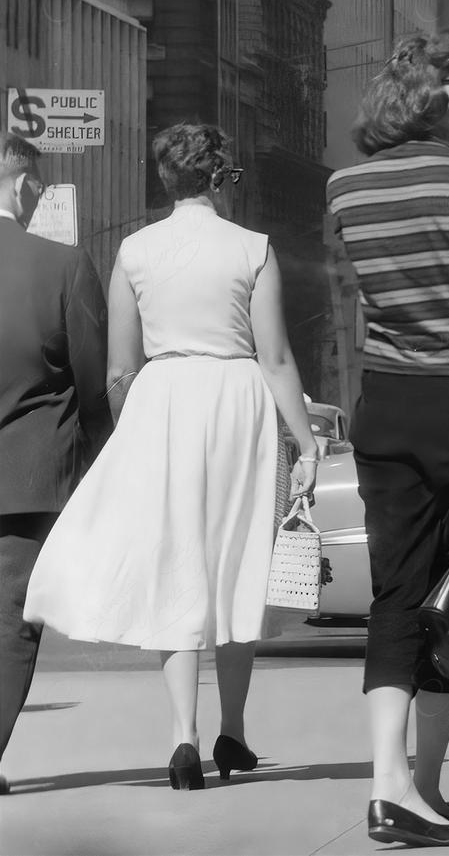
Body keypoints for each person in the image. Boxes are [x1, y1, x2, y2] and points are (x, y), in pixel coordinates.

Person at [23, 123, 318, 791]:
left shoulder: (135, 251)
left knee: (179, 561)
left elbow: (121, 369)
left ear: (166, 180)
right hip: (236, 397)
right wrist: (305, 440)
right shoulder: (252, 248)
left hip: (163, 400)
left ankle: (182, 732)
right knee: (237, 558)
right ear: (217, 178)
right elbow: (274, 357)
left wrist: (140, 433)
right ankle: (233, 728)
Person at [326, 30, 449, 848]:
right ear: (431, 92)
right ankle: (428, 781)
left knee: (396, 597)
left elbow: (349, 316)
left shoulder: (344, 190)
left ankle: (392, 785)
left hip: (385, 409)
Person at [0, 133, 111, 795]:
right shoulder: (64, 266)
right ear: (18, 186)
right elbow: (92, 383)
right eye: (38, 190)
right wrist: (103, 469)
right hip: (28, 478)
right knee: (12, 622)